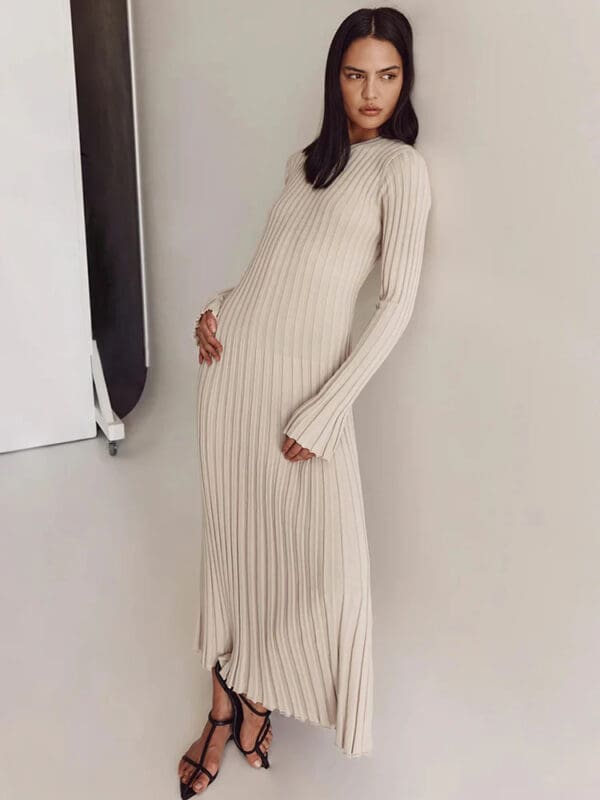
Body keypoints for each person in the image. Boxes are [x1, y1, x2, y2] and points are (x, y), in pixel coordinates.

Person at [179, 7, 432, 795]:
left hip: (303, 398)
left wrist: (326, 412)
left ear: (405, 81)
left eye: (387, 76)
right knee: (237, 544)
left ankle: (258, 690)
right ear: (335, 78)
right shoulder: (303, 164)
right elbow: (272, 267)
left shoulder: (400, 171)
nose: (370, 91)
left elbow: (396, 303)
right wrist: (219, 304)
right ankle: (226, 703)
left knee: (323, 566)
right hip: (233, 377)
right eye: (356, 74)